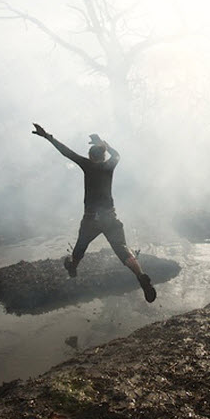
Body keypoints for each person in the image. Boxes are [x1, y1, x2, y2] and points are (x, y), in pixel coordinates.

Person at [32, 123, 156, 303]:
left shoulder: (87, 165)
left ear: (90, 155)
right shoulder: (109, 165)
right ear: (103, 155)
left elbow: (66, 152)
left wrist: (47, 136)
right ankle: (140, 275)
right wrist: (102, 142)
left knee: (81, 245)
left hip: (92, 218)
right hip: (110, 216)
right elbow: (117, 154)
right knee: (123, 250)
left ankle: (73, 267)